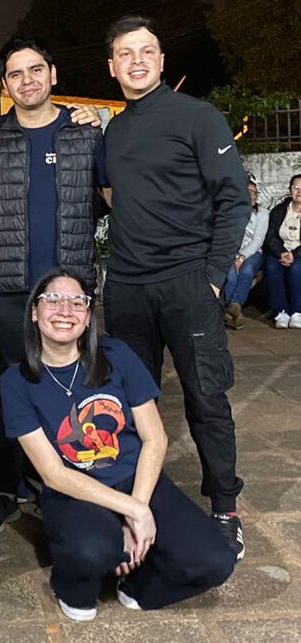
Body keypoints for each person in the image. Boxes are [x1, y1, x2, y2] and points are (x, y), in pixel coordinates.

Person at [0, 268, 235, 622]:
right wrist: (136, 513)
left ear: (88, 315)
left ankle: (136, 584)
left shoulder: (117, 354)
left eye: (77, 302)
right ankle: (74, 586)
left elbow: (155, 438)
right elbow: (52, 473)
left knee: (215, 560)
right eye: (53, 300)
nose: (65, 310)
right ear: (34, 312)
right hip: (74, 490)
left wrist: (137, 507)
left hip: (135, 478)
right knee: (94, 550)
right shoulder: (16, 380)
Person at [102, 15, 251, 559]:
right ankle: (137, 500)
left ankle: (225, 508)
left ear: (162, 61)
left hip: (188, 284)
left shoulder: (198, 117)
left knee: (206, 399)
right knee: (129, 404)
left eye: (147, 50)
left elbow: (234, 198)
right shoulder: (113, 132)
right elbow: (107, 193)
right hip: (127, 288)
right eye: (125, 52)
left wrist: (213, 277)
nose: (137, 60)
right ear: (112, 66)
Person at [0, 37, 108, 522]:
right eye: (16, 73)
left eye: (36, 69)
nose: (28, 80)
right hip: (7, 288)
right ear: (5, 84)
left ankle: (67, 476)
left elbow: (115, 196)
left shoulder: (86, 134)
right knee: (12, 382)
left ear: (53, 73)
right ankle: (8, 481)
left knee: (71, 382)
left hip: (68, 288)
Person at [224, 176, 269, 329]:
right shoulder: (232, 212)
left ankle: (234, 305)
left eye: (255, 192)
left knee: (247, 270)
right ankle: (234, 314)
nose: (252, 195)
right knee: (230, 275)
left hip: (253, 253)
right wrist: (235, 256)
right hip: (232, 251)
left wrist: (241, 257)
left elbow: (258, 240)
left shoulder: (263, 213)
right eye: (248, 191)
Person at [262, 174, 301, 328]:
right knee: (271, 267)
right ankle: (281, 312)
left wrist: (294, 255)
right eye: (296, 187)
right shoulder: (278, 211)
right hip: (280, 251)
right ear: (290, 190)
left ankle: (297, 312)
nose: (299, 191)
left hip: (299, 253)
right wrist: (282, 252)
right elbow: (270, 236)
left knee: (297, 269)